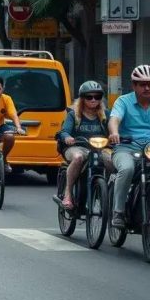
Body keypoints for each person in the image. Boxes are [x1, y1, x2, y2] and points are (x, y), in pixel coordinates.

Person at [108, 65, 150, 229]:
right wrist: (114, 132)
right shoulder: (123, 101)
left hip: (148, 150)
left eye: (149, 84)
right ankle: (118, 211)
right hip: (126, 148)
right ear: (134, 86)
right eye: (142, 84)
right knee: (126, 169)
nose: (147, 87)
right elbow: (114, 119)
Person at [57, 81, 110, 210]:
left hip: (100, 148)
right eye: (89, 97)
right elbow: (64, 131)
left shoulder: (106, 115)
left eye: (97, 97)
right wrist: (68, 138)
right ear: (82, 99)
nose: (93, 100)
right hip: (77, 147)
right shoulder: (73, 115)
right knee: (78, 158)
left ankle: (109, 193)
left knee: (112, 160)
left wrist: (115, 136)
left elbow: (114, 130)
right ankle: (68, 194)